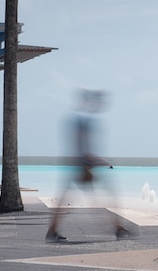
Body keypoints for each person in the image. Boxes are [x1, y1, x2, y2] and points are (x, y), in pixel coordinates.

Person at [46, 89, 129, 242]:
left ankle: (52, 230)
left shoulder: (80, 119)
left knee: (70, 199)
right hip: (82, 165)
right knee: (105, 196)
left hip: (79, 164)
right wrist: (93, 162)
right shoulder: (83, 121)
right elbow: (81, 146)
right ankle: (118, 228)